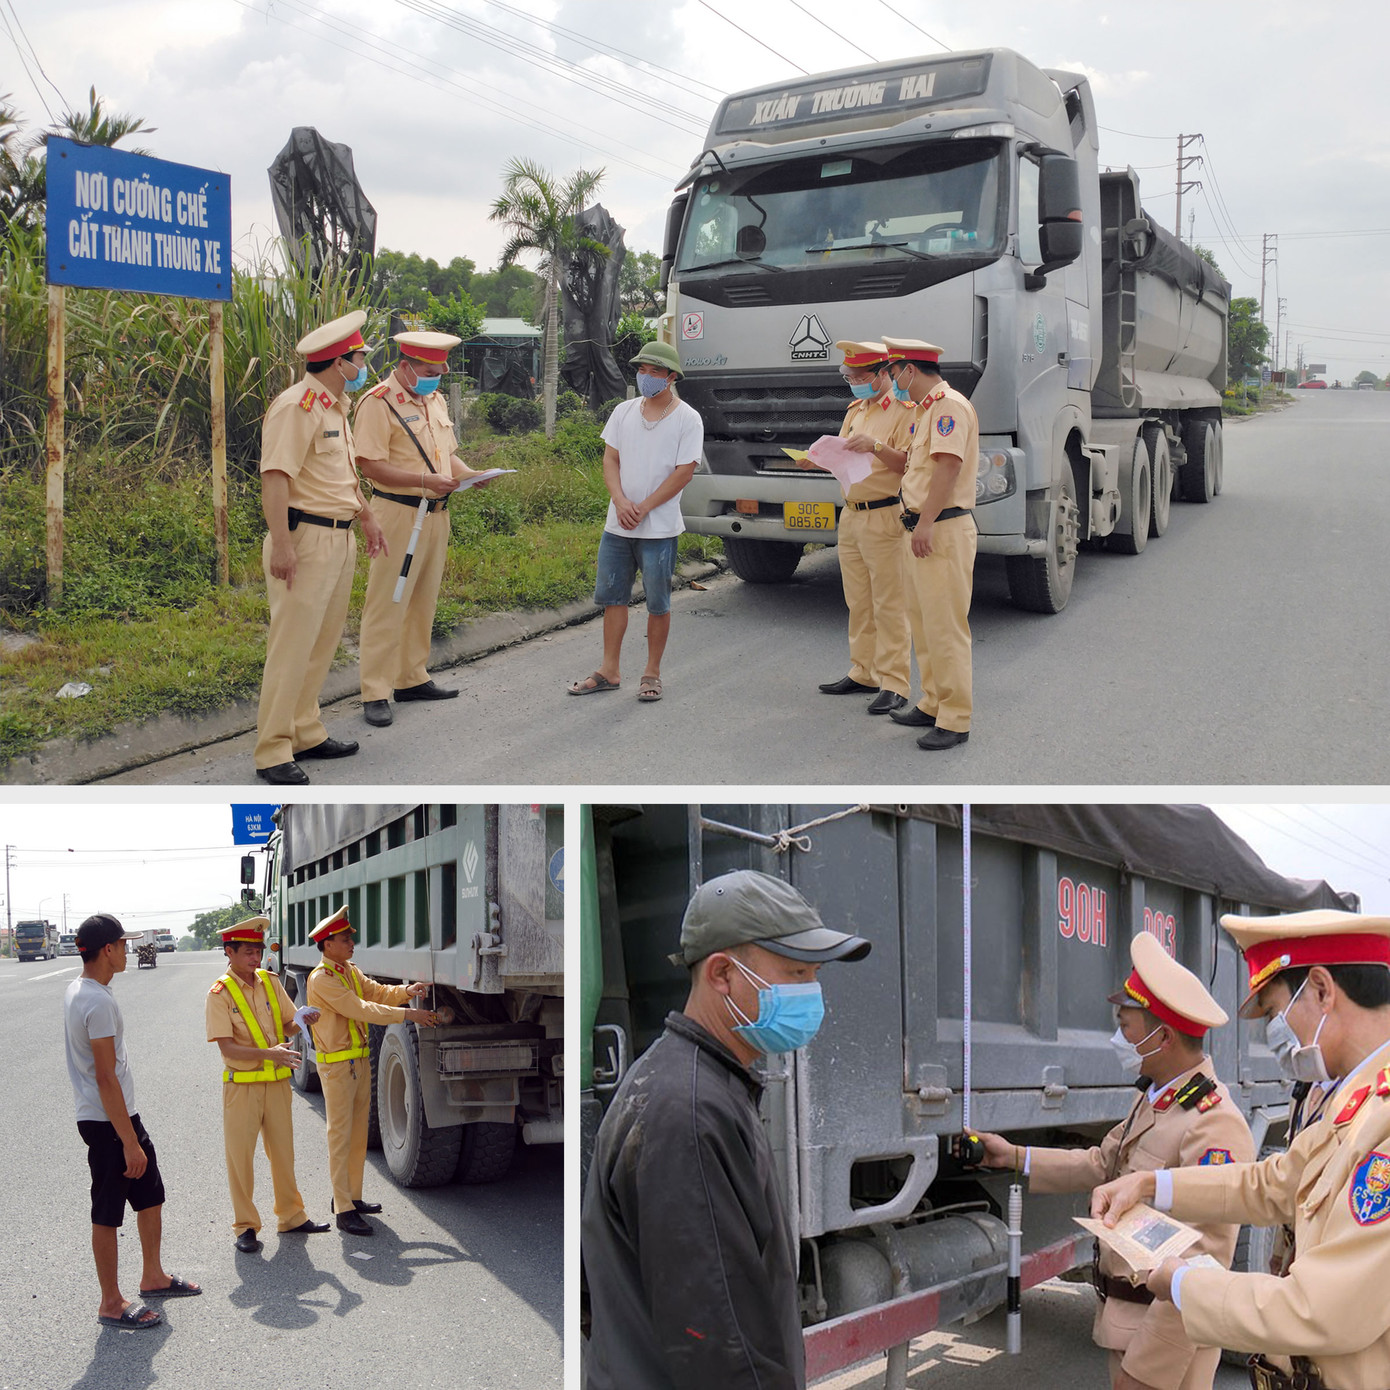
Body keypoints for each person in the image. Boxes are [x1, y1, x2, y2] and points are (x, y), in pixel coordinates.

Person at [582, 869, 872, 1390]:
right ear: (721, 973)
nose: (814, 993)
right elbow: (722, 1347)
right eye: (797, 973)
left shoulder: (700, 1084)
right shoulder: (688, 1113)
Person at [1092, 909, 1390, 1390]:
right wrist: (1151, 1183)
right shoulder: (1353, 1104)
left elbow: (1319, 1311)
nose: (1273, 1035)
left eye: (1273, 1013)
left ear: (1320, 990)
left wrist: (1185, 1285)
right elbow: (1271, 1182)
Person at [973, 931, 1254, 1390]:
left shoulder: (1213, 1123)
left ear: (1162, 1037)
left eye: (1126, 1026)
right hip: (1127, 1320)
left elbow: (1204, 1261)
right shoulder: (1155, 1100)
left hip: (1162, 1339)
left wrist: (1146, 1369)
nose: (1116, 1038)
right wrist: (1014, 1157)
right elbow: (1102, 1164)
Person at [254, 308, 388, 786]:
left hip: (340, 536)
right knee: (291, 646)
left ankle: (304, 731)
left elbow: (341, 477)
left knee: (321, 644)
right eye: (359, 359)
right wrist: (283, 545)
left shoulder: (336, 407)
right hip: (304, 538)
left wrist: (367, 516)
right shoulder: (298, 407)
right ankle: (272, 749)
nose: (363, 367)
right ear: (338, 363)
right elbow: (275, 477)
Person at [64, 913, 202, 1330]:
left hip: (119, 1117)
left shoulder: (82, 989)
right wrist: (129, 1141)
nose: (128, 950)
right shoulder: (97, 1001)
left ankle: (153, 1276)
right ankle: (110, 1302)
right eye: (123, 944)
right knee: (107, 1211)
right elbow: (105, 1077)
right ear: (107, 949)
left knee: (150, 1194)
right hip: (108, 1122)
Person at [355, 330, 496, 728]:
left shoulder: (433, 399)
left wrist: (471, 474)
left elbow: (444, 456)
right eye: (432, 370)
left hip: (436, 513)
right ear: (405, 367)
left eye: (442, 369)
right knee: (387, 601)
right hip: (398, 513)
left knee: (423, 599)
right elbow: (369, 465)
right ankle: (376, 690)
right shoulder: (378, 404)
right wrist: (422, 483)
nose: (439, 376)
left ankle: (411, 677)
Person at [567, 340, 702, 704]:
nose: (646, 377)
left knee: (658, 603)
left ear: (671, 377)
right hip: (618, 526)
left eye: (654, 371)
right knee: (614, 599)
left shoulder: (688, 418)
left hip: (658, 529)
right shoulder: (624, 412)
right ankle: (609, 670)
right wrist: (621, 501)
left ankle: (652, 673)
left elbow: (684, 472)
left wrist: (643, 508)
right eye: (642, 370)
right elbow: (610, 459)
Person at [304, 906, 436, 1235]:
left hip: (357, 1061)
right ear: (327, 944)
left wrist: (407, 992)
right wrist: (410, 1016)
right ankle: (343, 1208)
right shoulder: (322, 979)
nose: (351, 943)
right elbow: (359, 1008)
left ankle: (352, 1197)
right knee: (340, 1136)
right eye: (345, 938)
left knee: (358, 1134)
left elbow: (375, 992)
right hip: (336, 1066)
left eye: (350, 938)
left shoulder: (348, 970)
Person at [206, 917, 330, 1253]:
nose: (255, 958)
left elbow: (287, 1025)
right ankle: (245, 1226)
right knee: (240, 1159)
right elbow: (227, 1047)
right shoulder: (220, 993)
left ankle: (291, 1216)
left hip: (276, 1084)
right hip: (242, 1087)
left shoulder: (270, 982)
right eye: (247, 951)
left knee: (283, 1155)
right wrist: (269, 1054)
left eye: (258, 950)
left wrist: (301, 1019)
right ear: (229, 952)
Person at [879, 337, 979, 751]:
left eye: (894, 370)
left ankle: (955, 718)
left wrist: (925, 522)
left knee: (945, 628)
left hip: (940, 529)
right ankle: (933, 701)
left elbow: (948, 469)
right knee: (923, 623)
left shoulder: (949, 406)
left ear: (910, 370)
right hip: (922, 529)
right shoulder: (926, 410)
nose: (892, 378)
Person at [811, 340, 913, 715]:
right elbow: (842, 452)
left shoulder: (905, 412)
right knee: (858, 600)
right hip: (851, 514)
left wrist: (875, 447)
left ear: (883, 374)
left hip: (885, 514)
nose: (853, 383)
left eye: (860, 376)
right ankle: (863, 671)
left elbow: (908, 464)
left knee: (890, 601)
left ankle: (895, 682)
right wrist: (817, 460)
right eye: (849, 377)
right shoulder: (855, 409)